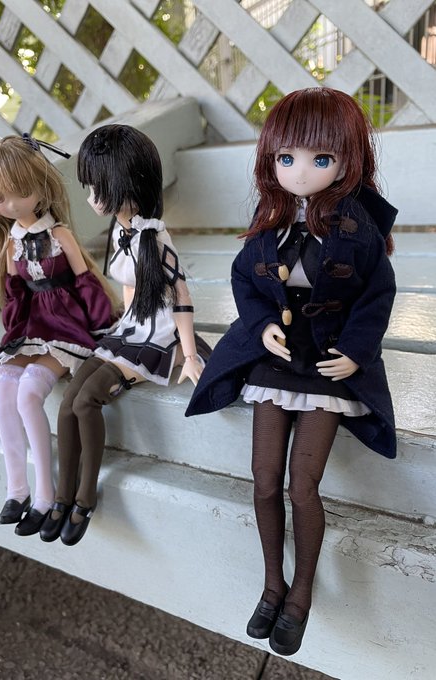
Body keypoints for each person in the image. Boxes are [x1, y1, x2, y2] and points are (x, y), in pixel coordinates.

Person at [185, 87, 397, 656]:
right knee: (263, 480)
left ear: (346, 162)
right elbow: (244, 281)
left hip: (326, 360)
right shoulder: (271, 222)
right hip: (278, 358)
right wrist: (260, 327)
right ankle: (271, 584)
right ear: (271, 160)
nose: (300, 171)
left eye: (319, 159)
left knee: (303, 486)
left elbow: (378, 294)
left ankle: (300, 593)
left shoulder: (356, 227)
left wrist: (356, 350)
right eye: (287, 157)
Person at [39, 124, 210, 547]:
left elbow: (182, 298)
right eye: (90, 187)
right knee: (67, 402)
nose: (91, 197)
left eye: (99, 188)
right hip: (130, 327)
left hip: (158, 336)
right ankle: (61, 495)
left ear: (131, 184)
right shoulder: (120, 230)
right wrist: (121, 322)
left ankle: (84, 498)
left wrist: (190, 355)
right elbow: (131, 286)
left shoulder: (156, 238)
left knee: (86, 400)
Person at [0, 134, 119, 537]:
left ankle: (45, 494)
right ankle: (16, 489)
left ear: (41, 188)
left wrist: (101, 324)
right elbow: (16, 292)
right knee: (2, 384)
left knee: (29, 392)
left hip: (67, 322)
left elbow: (86, 280)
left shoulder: (59, 235)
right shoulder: (12, 243)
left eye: (21, 193)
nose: (11, 205)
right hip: (32, 325)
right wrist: (14, 332)